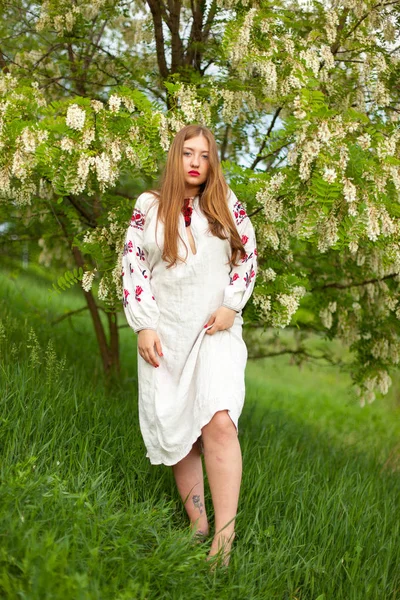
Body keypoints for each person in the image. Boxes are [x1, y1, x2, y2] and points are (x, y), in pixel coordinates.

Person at [121, 124, 258, 567]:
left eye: (204, 154)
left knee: (218, 421)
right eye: (187, 153)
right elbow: (134, 263)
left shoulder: (225, 204)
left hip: (214, 330)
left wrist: (232, 306)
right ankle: (197, 526)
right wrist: (143, 325)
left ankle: (223, 540)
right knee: (178, 427)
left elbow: (247, 254)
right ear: (175, 158)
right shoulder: (150, 206)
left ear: (212, 162)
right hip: (167, 332)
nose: (196, 161)